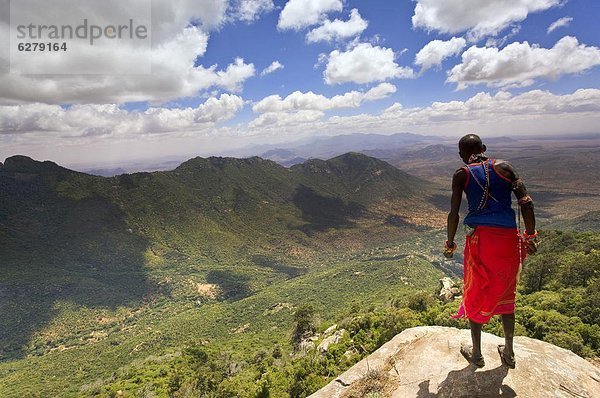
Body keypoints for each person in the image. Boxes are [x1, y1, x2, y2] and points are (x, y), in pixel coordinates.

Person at [444, 134, 538, 369]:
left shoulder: (462, 174)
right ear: (484, 148)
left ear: (461, 155)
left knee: (476, 289)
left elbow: (454, 213)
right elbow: (526, 202)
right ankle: (509, 352)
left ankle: (476, 354)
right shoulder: (506, 168)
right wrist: (531, 235)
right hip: (508, 241)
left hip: (481, 240)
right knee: (507, 291)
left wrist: (449, 242)